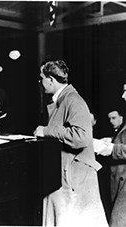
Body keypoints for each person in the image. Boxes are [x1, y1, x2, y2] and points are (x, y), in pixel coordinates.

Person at [33, 60, 108, 226]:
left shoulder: (73, 100)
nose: (40, 82)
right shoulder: (63, 99)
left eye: (42, 78)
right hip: (67, 175)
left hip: (75, 178)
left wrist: (46, 131)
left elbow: (81, 137)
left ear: (51, 80)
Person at [97, 105, 126, 226]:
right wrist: (111, 140)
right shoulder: (120, 129)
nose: (111, 121)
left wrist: (112, 148)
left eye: (114, 118)